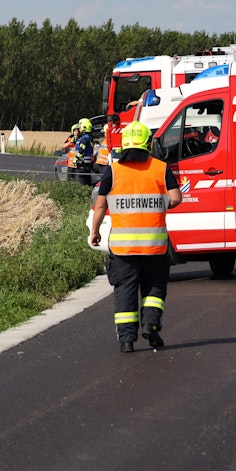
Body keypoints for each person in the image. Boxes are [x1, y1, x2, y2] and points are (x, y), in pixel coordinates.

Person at [89, 121, 183, 353]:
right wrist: (158, 204)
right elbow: (176, 198)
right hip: (154, 247)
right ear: (148, 143)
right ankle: (151, 326)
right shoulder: (161, 168)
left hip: (123, 250)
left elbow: (100, 206)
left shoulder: (114, 170)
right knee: (154, 287)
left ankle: (127, 340)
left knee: (125, 290)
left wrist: (95, 231)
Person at [72, 117, 95, 185]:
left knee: (82, 180)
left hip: (83, 162)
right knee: (86, 179)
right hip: (84, 162)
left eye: (80, 127)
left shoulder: (85, 138)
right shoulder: (86, 137)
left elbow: (82, 149)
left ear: (84, 127)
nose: (79, 129)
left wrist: (76, 158)